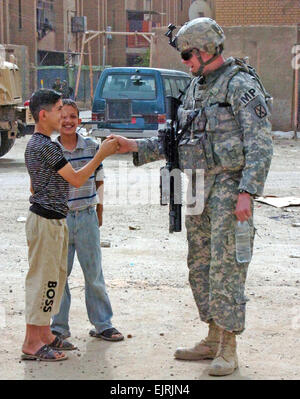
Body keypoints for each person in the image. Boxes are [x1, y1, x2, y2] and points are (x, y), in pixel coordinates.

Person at [110, 18, 273, 376]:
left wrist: (248, 191)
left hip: (230, 186)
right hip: (198, 186)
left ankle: (229, 347)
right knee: (200, 266)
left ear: (205, 50)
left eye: (187, 54)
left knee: (227, 268)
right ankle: (212, 337)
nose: (184, 61)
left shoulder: (239, 85)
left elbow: (261, 144)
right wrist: (133, 147)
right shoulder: (196, 89)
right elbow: (178, 142)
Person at [22, 89, 118, 362]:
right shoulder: (44, 146)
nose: (63, 115)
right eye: (58, 110)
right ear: (44, 115)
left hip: (54, 220)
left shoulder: (41, 144)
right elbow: (76, 180)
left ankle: (45, 334)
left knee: (54, 279)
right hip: (46, 222)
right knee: (43, 282)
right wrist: (101, 155)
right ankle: (32, 342)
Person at [50, 99, 124, 342]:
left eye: (72, 116)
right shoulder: (50, 150)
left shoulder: (92, 147)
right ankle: (59, 328)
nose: (68, 121)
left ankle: (103, 324)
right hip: (60, 221)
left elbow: (99, 179)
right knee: (60, 275)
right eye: (63, 117)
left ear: (78, 121)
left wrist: (99, 210)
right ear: (55, 121)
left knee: (94, 274)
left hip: (87, 217)